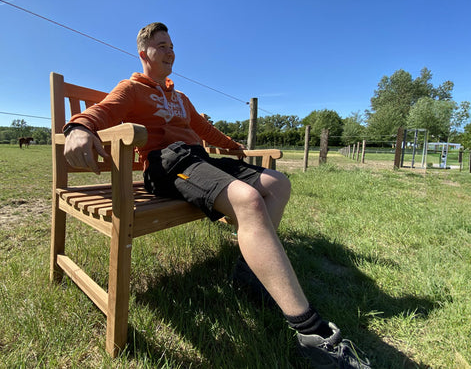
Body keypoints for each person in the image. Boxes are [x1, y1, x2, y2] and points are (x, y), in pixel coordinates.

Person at [63, 22, 371, 369]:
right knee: (248, 200)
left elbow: (204, 129)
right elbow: (102, 111)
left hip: (199, 160)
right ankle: (312, 334)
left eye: (171, 45)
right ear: (143, 53)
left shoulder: (180, 97)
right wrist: (78, 127)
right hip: (167, 164)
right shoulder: (132, 89)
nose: (169, 51)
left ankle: (248, 274)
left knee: (278, 183)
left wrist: (233, 146)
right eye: (161, 46)